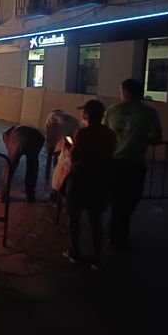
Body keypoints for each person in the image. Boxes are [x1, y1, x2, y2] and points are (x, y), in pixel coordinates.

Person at [103, 78, 162, 249]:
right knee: (129, 201)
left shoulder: (111, 110)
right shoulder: (150, 113)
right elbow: (157, 139)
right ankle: (119, 235)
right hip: (135, 164)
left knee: (116, 200)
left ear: (125, 91)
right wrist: (140, 139)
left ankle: (114, 235)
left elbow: (104, 134)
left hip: (114, 163)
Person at [63, 100, 116, 269]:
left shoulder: (82, 133)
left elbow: (74, 157)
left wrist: (70, 147)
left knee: (74, 217)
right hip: (100, 181)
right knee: (96, 220)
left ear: (85, 115)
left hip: (80, 180)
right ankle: (97, 257)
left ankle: (74, 252)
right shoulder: (110, 134)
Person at [1, 125, 45, 203]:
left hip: (19, 138)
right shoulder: (19, 129)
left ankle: (3, 194)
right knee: (32, 167)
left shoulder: (10, 135)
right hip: (37, 139)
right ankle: (30, 195)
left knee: (10, 167)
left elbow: (10, 151)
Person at [44, 110, 80, 181]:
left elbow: (56, 115)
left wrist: (68, 142)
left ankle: (55, 178)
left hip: (64, 144)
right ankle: (48, 178)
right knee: (53, 159)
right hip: (56, 142)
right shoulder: (73, 121)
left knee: (58, 162)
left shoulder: (72, 122)